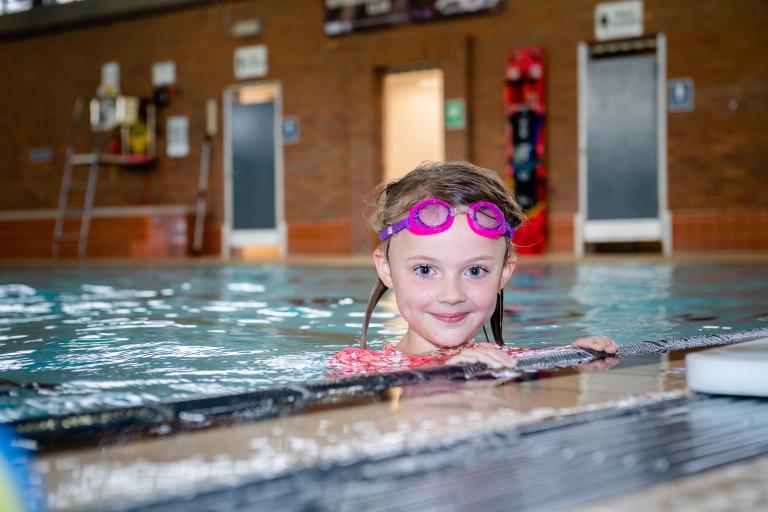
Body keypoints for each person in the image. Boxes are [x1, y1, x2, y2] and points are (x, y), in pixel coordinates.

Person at [330, 161, 617, 375]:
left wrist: (575, 353)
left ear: (504, 273)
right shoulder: (359, 366)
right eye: (425, 270)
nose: (452, 294)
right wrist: (443, 374)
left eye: (475, 271)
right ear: (386, 269)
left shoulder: (507, 356)